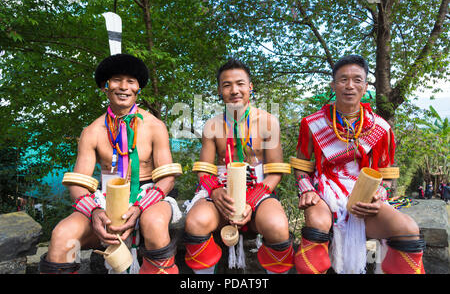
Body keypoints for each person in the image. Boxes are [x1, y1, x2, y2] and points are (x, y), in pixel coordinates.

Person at [39, 53, 181, 274]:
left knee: (153, 222)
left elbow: (167, 178)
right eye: (116, 80)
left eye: (130, 82)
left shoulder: (155, 126)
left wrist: (140, 206)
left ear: (138, 89)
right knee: (61, 235)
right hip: (104, 199)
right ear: (105, 87)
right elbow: (79, 183)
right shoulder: (92, 132)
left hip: (149, 195)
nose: (123, 87)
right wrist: (94, 211)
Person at [292, 54, 425, 274]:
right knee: (316, 224)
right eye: (343, 80)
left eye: (357, 80)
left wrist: (379, 195)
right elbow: (302, 164)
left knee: (408, 230)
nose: (350, 86)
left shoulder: (380, 127)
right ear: (333, 85)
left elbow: (386, 172)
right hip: (325, 191)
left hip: (364, 195)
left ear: (365, 86)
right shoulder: (313, 123)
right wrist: (306, 189)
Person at [183, 58, 294, 274]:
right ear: (219, 90)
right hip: (221, 189)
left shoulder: (268, 122)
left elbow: (276, 171)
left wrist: (251, 201)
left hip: (259, 188)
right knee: (195, 222)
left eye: (240, 83)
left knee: (278, 227)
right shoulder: (212, 126)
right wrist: (215, 191)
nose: (234, 90)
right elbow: (205, 169)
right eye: (227, 85)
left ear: (250, 87)